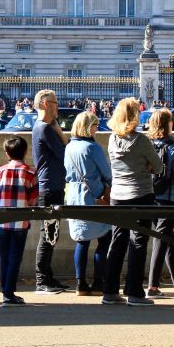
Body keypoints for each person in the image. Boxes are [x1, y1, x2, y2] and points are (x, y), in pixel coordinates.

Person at [102, 97, 161, 306]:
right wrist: (147, 167)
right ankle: (134, 291)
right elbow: (159, 167)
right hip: (141, 194)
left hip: (118, 196)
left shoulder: (111, 139)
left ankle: (109, 290)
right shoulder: (142, 140)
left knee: (117, 241)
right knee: (139, 242)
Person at [63, 111, 112, 297]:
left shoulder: (69, 147)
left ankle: (80, 283)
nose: (97, 129)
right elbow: (106, 173)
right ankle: (98, 281)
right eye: (95, 125)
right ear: (87, 126)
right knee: (104, 238)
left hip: (75, 194)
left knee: (81, 241)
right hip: (94, 194)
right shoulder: (93, 148)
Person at [146, 108, 174, 298]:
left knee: (167, 240)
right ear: (168, 124)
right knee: (162, 241)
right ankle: (153, 286)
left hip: (151, 197)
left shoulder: (147, 145)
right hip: (169, 199)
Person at [31, 89, 69, 294]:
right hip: (50, 186)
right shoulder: (45, 128)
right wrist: (61, 133)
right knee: (48, 234)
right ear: (46, 104)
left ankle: (47, 277)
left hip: (51, 184)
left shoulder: (42, 127)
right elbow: (66, 153)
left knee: (51, 233)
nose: (58, 106)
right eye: (55, 102)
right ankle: (41, 280)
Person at [0, 135, 38, 306]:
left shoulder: (1, 171)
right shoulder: (31, 172)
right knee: (15, 257)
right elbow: (33, 199)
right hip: (21, 220)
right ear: (25, 151)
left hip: (3, 220)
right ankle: (9, 292)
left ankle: (6, 291)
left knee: (4, 257)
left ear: (7, 153)